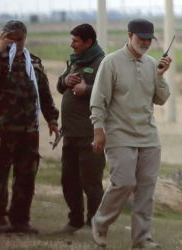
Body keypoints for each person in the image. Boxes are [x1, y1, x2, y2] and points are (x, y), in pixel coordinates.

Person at [89, 18, 172, 249]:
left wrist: (160, 75)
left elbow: (162, 99)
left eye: (149, 39)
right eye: (141, 38)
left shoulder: (151, 63)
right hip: (119, 135)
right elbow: (98, 100)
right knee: (123, 183)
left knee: (146, 190)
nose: (145, 42)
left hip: (149, 137)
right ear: (129, 35)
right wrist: (98, 130)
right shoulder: (111, 62)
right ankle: (100, 223)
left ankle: (142, 239)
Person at [0, 20, 59, 234]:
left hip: (28, 130)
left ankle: (20, 219)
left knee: (26, 176)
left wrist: (52, 119)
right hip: (3, 129)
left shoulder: (33, 62)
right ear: (2, 38)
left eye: (19, 40)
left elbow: (44, 94)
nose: (15, 44)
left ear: (25, 39)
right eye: (10, 39)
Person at [56, 23, 106, 233]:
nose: (72, 44)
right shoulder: (76, 60)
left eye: (76, 41)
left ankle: (94, 223)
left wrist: (87, 90)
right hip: (70, 133)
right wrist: (65, 80)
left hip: (89, 133)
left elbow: (110, 92)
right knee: (69, 180)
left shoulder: (102, 62)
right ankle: (74, 220)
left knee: (91, 182)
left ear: (88, 42)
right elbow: (60, 86)